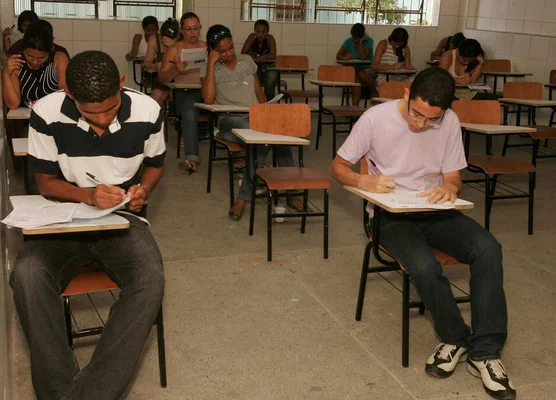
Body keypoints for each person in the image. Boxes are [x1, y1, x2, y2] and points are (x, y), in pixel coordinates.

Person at [329, 67, 515, 400]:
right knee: (425, 265)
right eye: (416, 114)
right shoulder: (376, 119)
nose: (420, 124)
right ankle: (455, 338)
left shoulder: (450, 123)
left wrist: (449, 185)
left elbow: (454, 177)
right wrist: (362, 180)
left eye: (431, 119)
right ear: (405, 95)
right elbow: (337, 167)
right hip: (390, 214)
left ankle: (485, 352)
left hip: (433, 209)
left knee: (489, 248)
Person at [10, 50, 166, 400]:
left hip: (123, 219)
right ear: (69, 96)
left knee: (149, 279)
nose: (100, 121)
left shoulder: (147, 111)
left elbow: (155, 164)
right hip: (63, 219)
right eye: (88, 112)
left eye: (109, 110)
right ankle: (59, 392)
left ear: (122, 85)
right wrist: (87, 195)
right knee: (28, 274)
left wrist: (143, 190)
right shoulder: (46, 113)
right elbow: (46, 183)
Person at [203, 24, 305, 221]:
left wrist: (267, 109)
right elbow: (208, 100)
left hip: (255, 117)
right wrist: (210, 63)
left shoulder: (247, 60)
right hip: (229, 120)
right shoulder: (211, 68)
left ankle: (282, 192)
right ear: (213, 50)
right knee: (263, 136)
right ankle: (278, 193)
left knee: (274, 138)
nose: (229, 53)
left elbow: (259, 92)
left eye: (231, 47)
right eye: (222, 51)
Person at [158, 12, 207, 173]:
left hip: (206, 90)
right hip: (184, 92)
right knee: (189, 112)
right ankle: (192, 158)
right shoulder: (174, 49)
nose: (193, 33)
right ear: (182, 30)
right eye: (188, 29)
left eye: (196, 28)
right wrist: (175, 69)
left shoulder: (207, 46)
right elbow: (162, 77)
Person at [2, 20, 69, 110]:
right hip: (27, 120)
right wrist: (6, 74)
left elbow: (65, 93)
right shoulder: (17, 64)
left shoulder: (59, 59)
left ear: (49, 51)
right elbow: (13, 104)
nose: (35, 62)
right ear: (23, 49)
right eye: (30, 56)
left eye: (41, 58)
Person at [336, 23, 378, 102]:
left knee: (360, 74)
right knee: (356, 80)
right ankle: (356, 108)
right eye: (353, 36)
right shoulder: (348, 41)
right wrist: (345, 59)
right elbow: (338, 55)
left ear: (362, 36)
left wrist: (360, 44)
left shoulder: (369, 41)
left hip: (367, 68)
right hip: (354, 69)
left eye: (356, 37)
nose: (354, 39)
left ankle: (373, 90)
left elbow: (363, 57)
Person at [144, 18, 180, 105]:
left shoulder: (182, 40)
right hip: (162, 79)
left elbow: (187, 62)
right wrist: (154, 66)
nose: (165, 40)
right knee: (155, 98)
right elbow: (146, 63)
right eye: (163, 38)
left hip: (179, 78)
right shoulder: (154, 39)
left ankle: (175, 117)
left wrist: (173, 46)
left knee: (178, 100)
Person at [240, 20, 278, 101]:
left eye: (263, 32)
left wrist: (266, 57)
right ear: (254, 31)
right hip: (255, 66)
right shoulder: (252, 37)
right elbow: (243, 53)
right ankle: (254, 103)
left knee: (270, 79)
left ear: (267, 32)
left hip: (268, 66)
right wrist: (251, 56)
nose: (260, 34)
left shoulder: (270, 38)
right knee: (250, 79)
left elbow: (274, 55)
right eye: (258, 31)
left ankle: (269, 104)